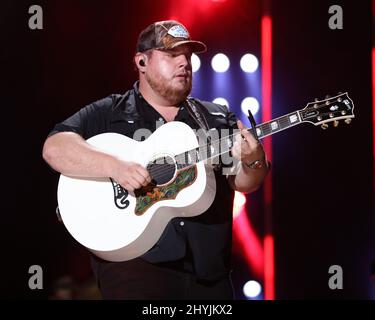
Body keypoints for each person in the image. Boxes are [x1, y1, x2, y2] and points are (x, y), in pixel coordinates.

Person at [42, 20, 269, 300]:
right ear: (141, 61)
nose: (184, 63)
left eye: (188, 56)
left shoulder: (216, 117)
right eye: (172, 55)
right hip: (134, 268)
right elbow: (55, 148)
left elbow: (245, 183)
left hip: (210, 273)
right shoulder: (109, 113)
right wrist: (115, 167)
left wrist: (254, 160)